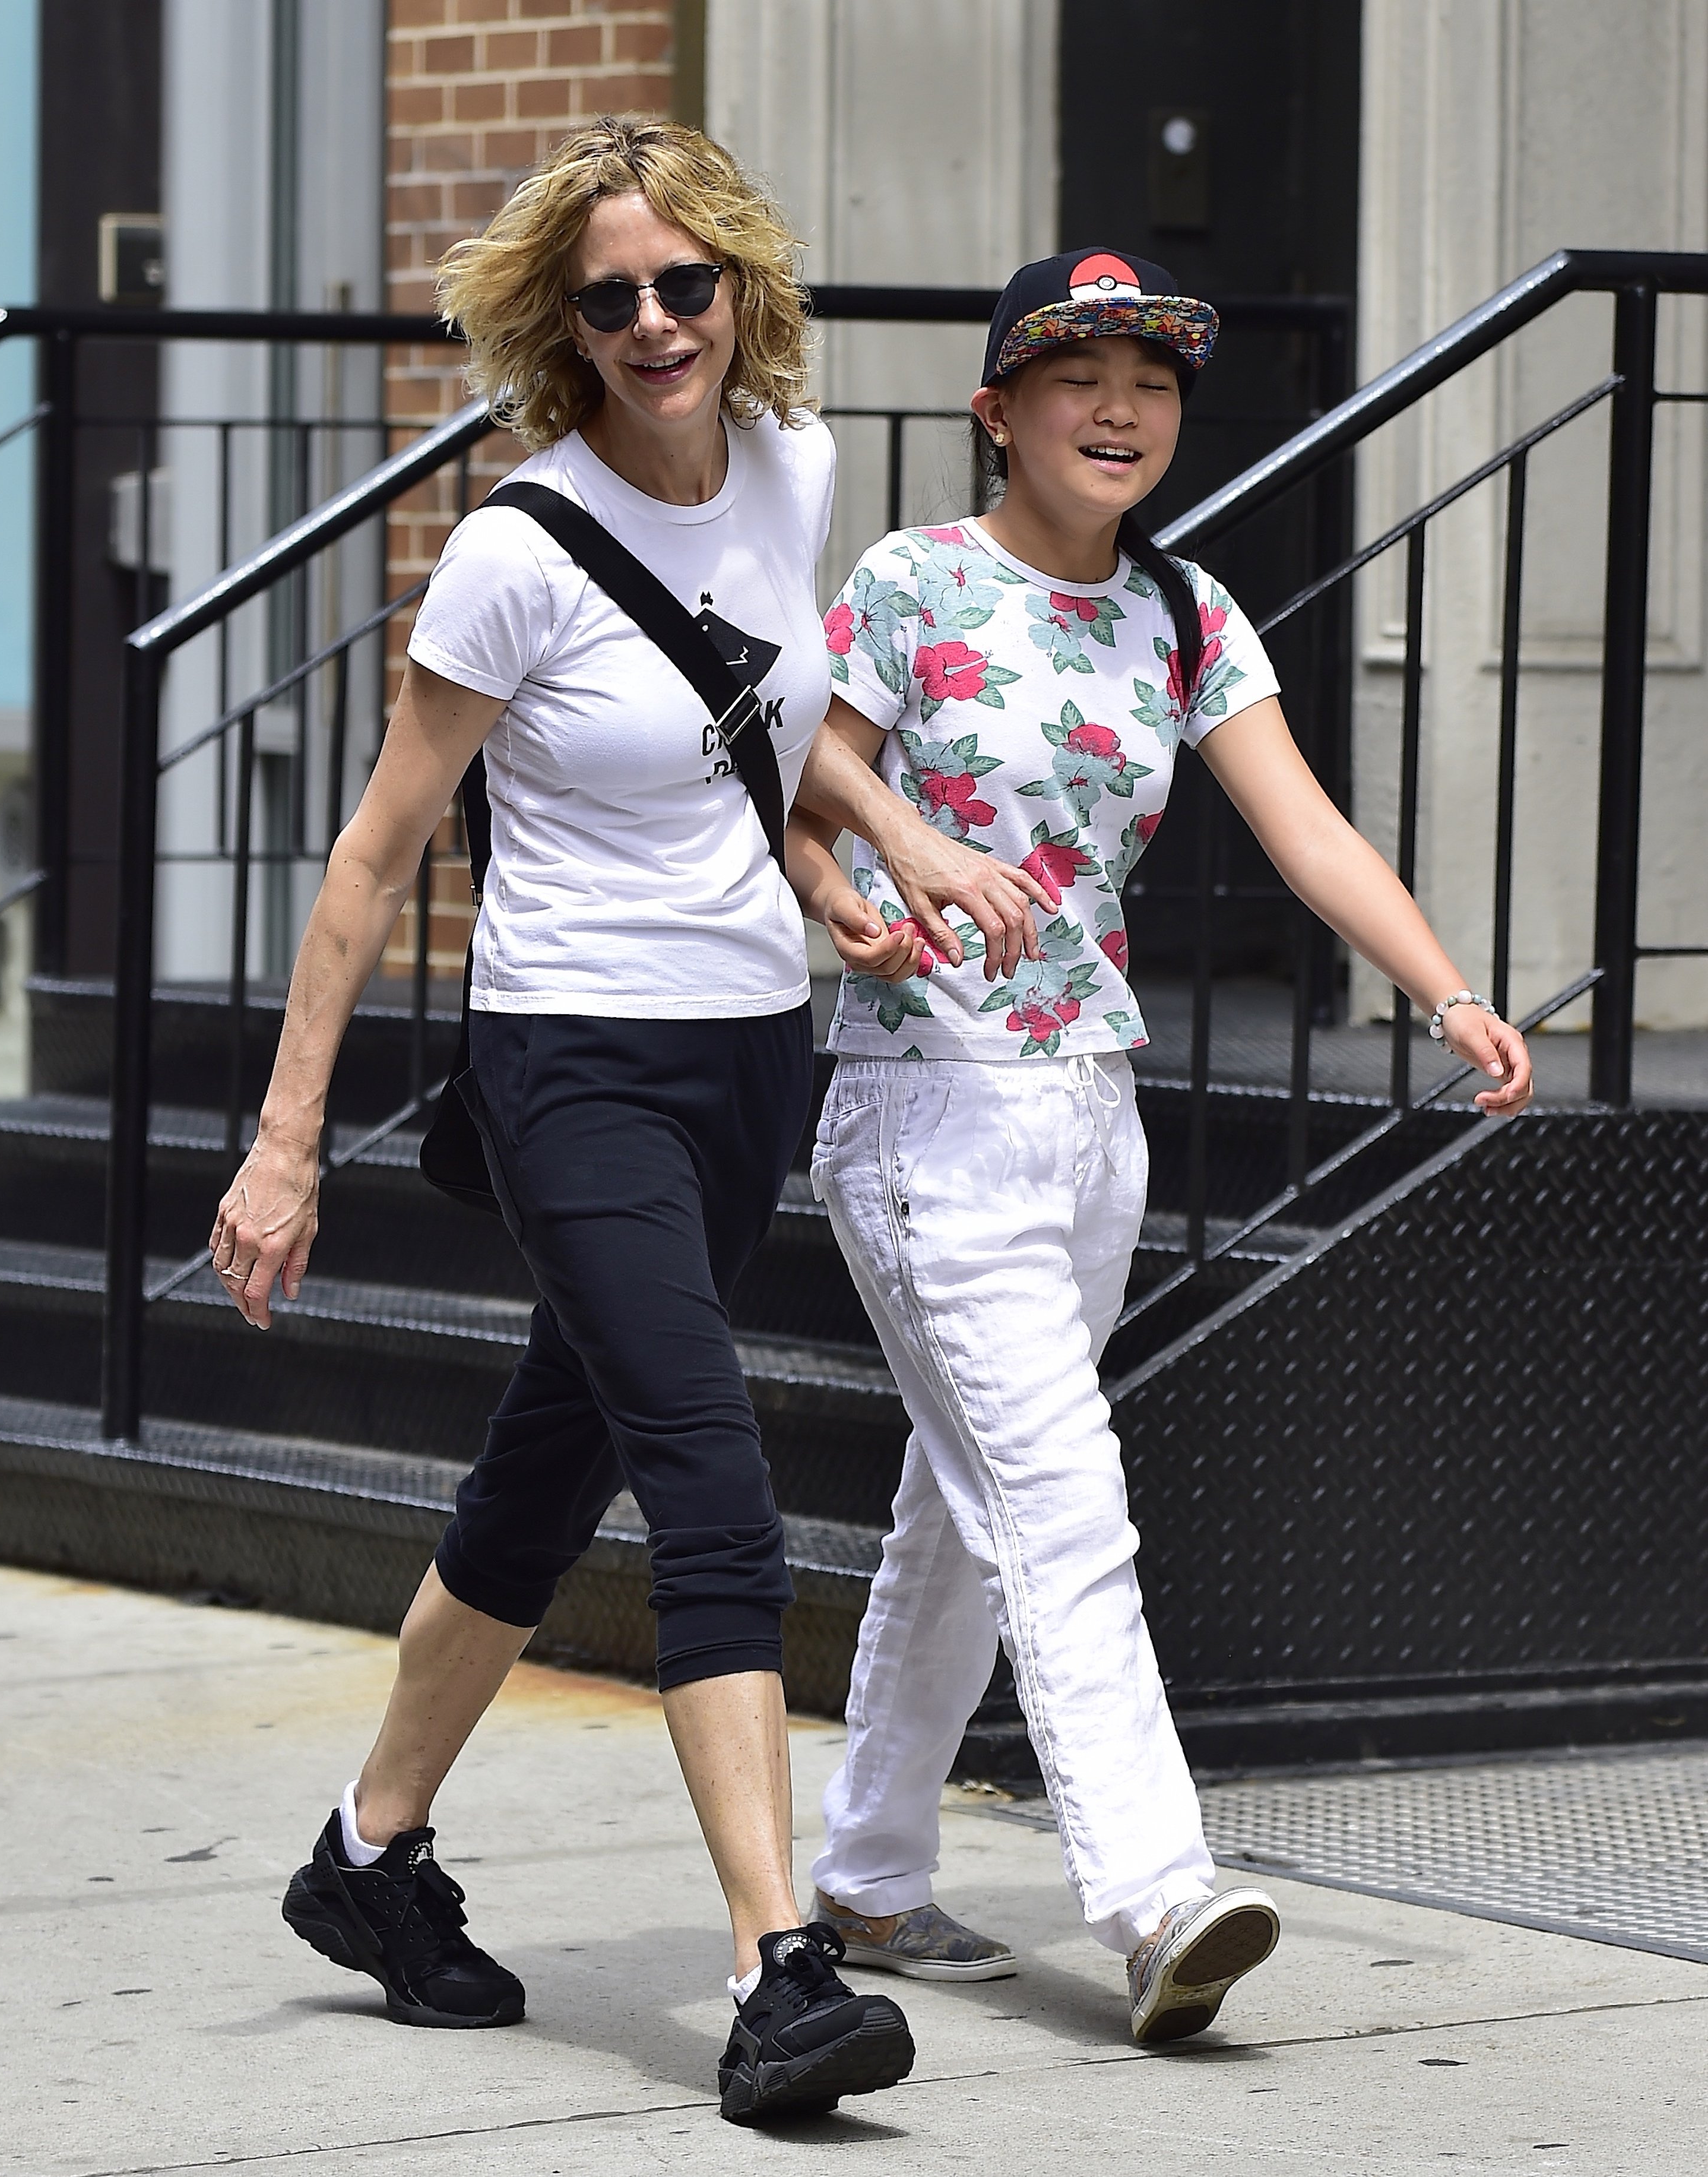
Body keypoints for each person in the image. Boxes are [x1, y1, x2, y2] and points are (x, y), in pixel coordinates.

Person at [207, 116, 916, 2126]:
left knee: (548, 1468)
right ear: (562, 323)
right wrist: (286, 1138)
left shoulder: (799, 468)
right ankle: (784, 1973)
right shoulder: (513, 551)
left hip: (749, 1052)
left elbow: (751, 742)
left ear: (739, 288)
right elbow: (369, 861)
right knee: (707, 1468)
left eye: (684, 284)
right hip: (571, 1064)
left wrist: (867, 851)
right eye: (608, 298)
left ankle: (364, 1859)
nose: (653, 323)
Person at [786, 247, 1535, 2043]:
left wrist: (1445, 992)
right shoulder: (912, 580)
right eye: (1075, 375)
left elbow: (1309, 829)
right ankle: (1155, 1890)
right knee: (1058, 1494)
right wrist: (844, 904)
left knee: (964, 1515)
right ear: (999, 411)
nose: (1121, 408)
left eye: (1155, 381)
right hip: (923, 1104)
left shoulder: (1184, 615)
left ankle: (873, 1878)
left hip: (1089, 1120)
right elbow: (805, 771)